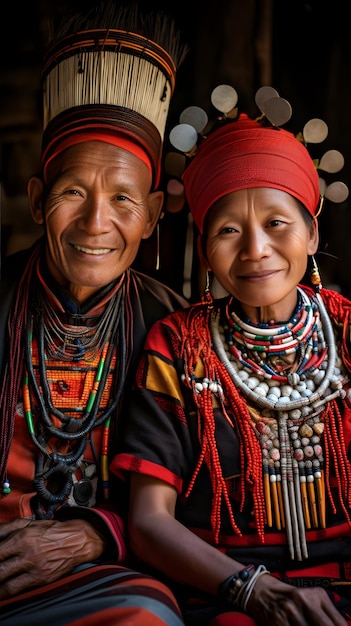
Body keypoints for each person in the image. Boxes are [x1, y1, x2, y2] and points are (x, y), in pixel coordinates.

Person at [112, 107, 351, 626]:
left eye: (276, 223)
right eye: (227, 230)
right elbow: (149, 523)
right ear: (205, 251)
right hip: (224, 597)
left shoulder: (349, 334)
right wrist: (255, 591)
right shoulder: (177, 347)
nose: (255, 250)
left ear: (311, 235)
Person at [0, 2, 188, 625]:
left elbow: (196, 499)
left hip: (97, 578)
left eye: (124, 199)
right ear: (35, 200)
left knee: (145, 613)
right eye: (73, 191)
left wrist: (95, 534)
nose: (95, 223)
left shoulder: (177, 330)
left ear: (154, 214)